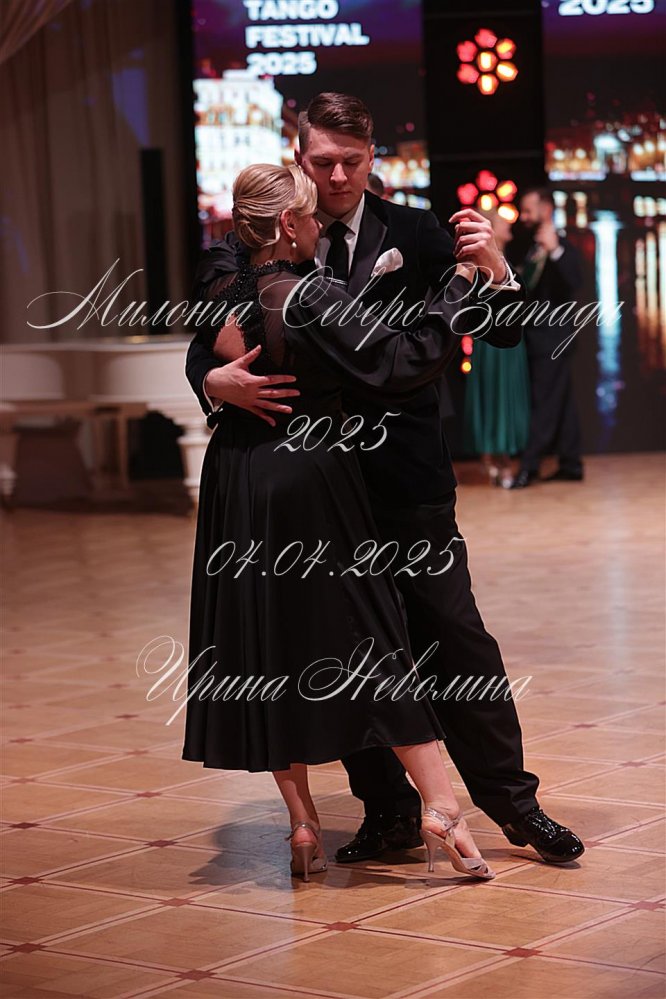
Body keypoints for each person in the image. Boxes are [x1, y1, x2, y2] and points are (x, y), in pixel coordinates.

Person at [186, 92, 584, 866]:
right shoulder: (252, 242)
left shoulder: (417, 231)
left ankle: (516, 805)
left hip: (406, 478)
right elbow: (212, 338)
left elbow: (501, 333)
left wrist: (497, 274)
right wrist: (212, 380)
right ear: (299, 158)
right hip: (318, 490)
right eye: (322, 162)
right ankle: (389, 811)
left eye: (352, 161)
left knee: (457, 640)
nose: (337, 176)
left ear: (374, 159)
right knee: (345, 653)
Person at [182, 162, 497, 882]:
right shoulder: (308, 292)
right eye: (307, 212)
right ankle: (442, 808)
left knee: (263, 648)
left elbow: (211, 343)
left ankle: (302, 828)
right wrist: (461, 283)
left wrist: (212, 379)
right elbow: (402, 361)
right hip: (309, 476)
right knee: (371, 638)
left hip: (238, 478)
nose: (318, 221)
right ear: (287, 223)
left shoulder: (224, 286)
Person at [510, 187, 584, 488]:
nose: (523, 216)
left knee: (545, 402)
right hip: (542, 337)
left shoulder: (559, 246)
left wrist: (555, 251)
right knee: (561, 400)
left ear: (547, 209)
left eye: (528, 210)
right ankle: (571, 463)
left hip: (552, 338)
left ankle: (529, 467)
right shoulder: (534, 247)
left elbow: (576, 281)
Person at [463, 211, 530, 488]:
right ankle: (493, 457)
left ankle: (501, 458)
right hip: (490, 341)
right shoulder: (479, 261)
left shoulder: (507, 259)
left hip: (511, 343)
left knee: (506, 395)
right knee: (494, 395)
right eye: (502, 220)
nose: (509, 223)